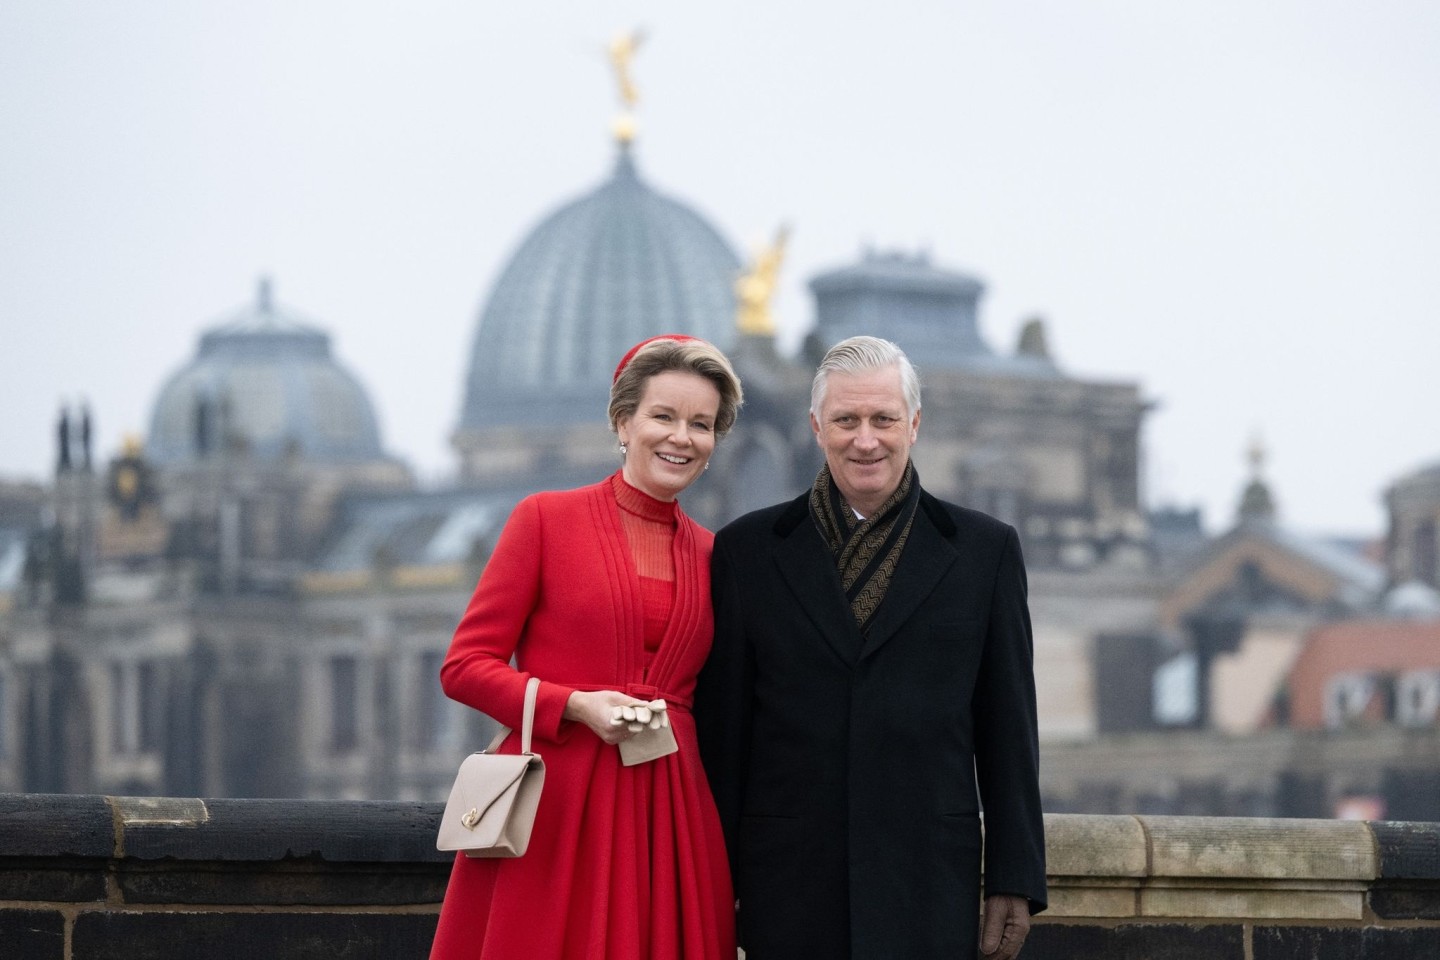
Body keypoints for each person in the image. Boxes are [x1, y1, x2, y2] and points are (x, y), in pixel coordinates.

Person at [695, 335, 1047, 959]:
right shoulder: (744, 552)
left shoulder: (986, 551)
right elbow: (725, 739)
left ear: (913, 424)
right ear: (816, 426)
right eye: (846, 420)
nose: (866, 439)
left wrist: (1015, 878)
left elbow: (1008, 729)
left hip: (931, 878)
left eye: (883, 419)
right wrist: (715, 881)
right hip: (786, 884)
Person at [430, 335, 743, 960]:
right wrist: (575, 705)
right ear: (623, 422)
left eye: (701, 424)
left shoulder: (719, 556)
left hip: (675, 816)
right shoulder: (544, 519)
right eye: (663, 416)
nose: (682, 437)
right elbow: (464, 668)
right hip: (556, 812)